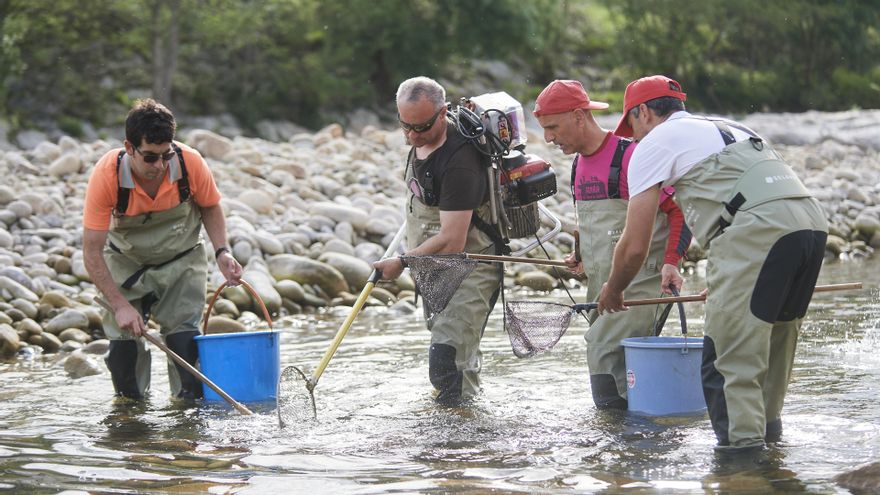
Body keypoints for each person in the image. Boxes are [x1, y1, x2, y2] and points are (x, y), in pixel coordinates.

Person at [597, 75, 827, 451]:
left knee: (724, 361)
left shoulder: (652, 144)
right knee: (774, 343)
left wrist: (614, 289)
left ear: (643, 112)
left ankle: (741, 466)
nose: (633, 137)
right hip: (809, 225)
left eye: (632, 125)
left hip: (756, 231)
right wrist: (731, 282)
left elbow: (635, 245)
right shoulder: (728, 126)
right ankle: (771, 452)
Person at [533, 80, 691, 409]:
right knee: (615, 368)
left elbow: (680, 213)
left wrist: (672, 262)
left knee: (604, 356)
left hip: (641, 284)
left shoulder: (632, 155)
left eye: (552, 127)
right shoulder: (578, 164)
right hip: (604, 287)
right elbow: (598, 226)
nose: (548, 138)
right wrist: (581, 256)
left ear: (579, 116)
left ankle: (616, 450)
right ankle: (636, 445)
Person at [83, 98, 243, 401]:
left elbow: (210, 206)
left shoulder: (189, 162)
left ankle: (185, 423)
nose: (159, 165)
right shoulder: (107, 175)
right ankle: (131, 422)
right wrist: (119, 305)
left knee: (185, 342)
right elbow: (91, 252)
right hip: (126, 264)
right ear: (129, 148)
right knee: (123, 351)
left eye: (165, 155)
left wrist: (222, 251)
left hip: (182, 262)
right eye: (150, 157)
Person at [373, 76, 503, 406]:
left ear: (443, 113)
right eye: (406, 127)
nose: (413, 136)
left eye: (423, 127)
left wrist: (401, 262)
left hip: (471, 267)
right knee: (454, 359)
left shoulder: (460, 163)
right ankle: (465, 422)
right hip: (433, 268)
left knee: (448, 359)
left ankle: (458, 446)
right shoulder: (419, 138)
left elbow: (452, 239)